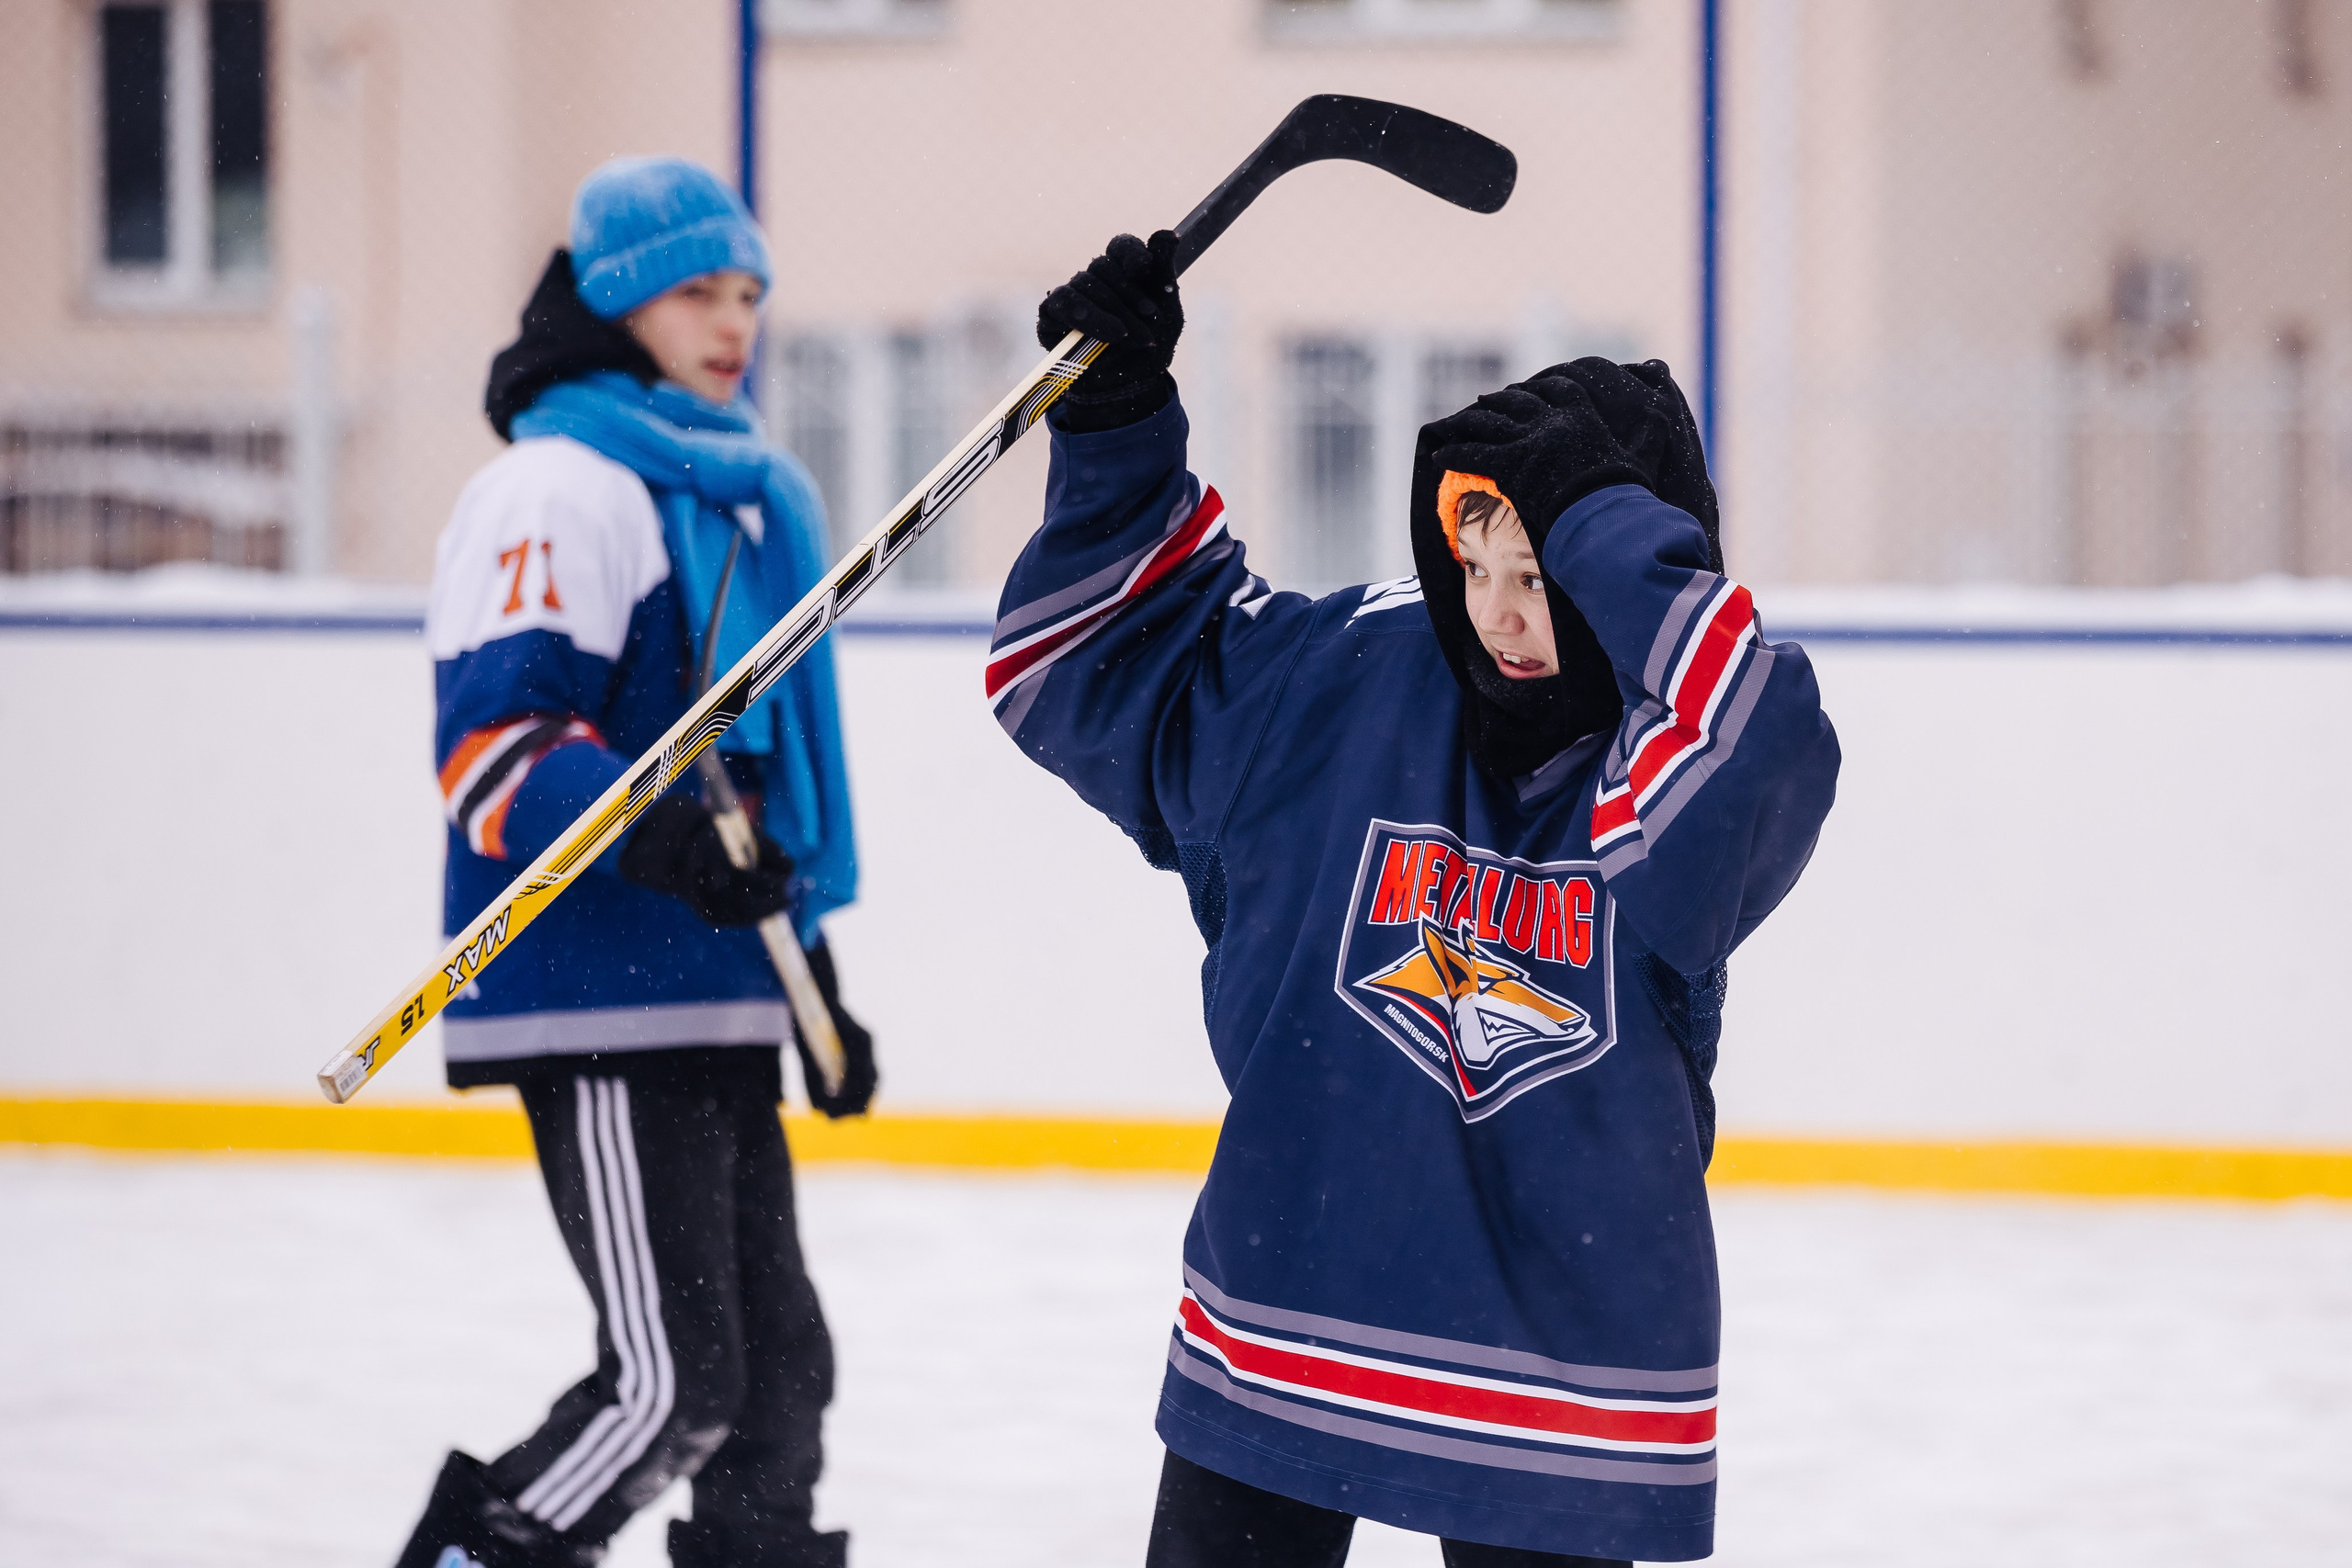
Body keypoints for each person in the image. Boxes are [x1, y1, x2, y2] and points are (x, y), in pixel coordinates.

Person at [987, 232, 1840, 1564]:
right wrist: (1117, 425)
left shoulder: (1662, 747)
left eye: (1545, 578)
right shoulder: (1363, 669)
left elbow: (1761, 731)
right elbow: (1100, 673)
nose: (1501, 617)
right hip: (1296, 1301)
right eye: (1478, 566)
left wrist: (1590, 508)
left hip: (1559, 1376)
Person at [393, 157, 876, 1568]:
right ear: (615, 304)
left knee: (779, 1386)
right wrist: (657, 834)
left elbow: (745, 800)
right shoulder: (558, 489)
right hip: (599, 995)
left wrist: (812, 982)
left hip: (716, 995)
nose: (733, 324)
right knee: (674, 1385)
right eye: (693, 294)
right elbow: (492, 750)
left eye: (748, 296)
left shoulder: (728, 498)